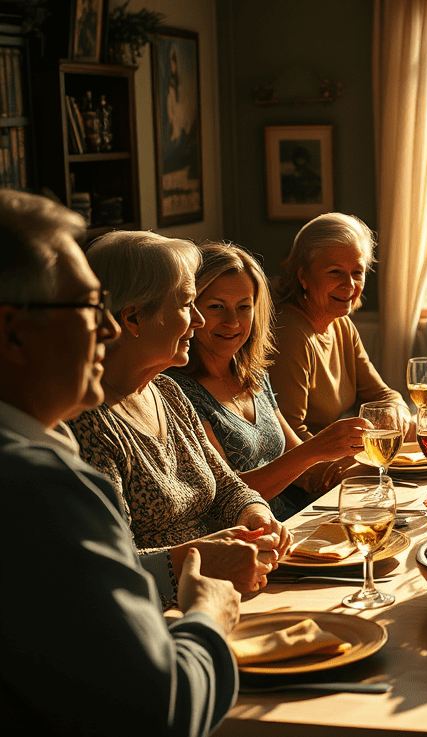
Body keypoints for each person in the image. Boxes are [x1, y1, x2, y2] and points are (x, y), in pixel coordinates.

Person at [0, 190, 239, 734]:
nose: (105, 330)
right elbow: (160, 709)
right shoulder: (35, 487)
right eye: (88, 307)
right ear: (13, 331)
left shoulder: (49, 447)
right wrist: (207, 616)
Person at [68, 231, 291, 599]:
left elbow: (227, 487)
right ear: (133, 318)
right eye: (188, 304)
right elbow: (111, 570)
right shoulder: (87, 422)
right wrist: (201, 557)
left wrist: (256, 515)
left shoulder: (167, 393)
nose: (200, 320)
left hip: (222, 588)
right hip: (168, 613)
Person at [168, 242, 371, 520]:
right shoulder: (178, 391)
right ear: (192, 311)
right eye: (216, 307)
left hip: (296, 521)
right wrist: (317, 449)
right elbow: (225, 496)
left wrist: (365, 463)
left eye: (244, 307)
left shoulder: (252, 373)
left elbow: (299, 461)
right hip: (246, 542)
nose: (232, 322)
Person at [269, 213, 408, 441]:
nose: (350, 285)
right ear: (303, 275)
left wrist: (398, 410)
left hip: (335, 458)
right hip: (309, 469)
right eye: (335, 272)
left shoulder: (341, 325)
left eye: (357, 272)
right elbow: (287, 436)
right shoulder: (291, 334)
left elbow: (382, 395)